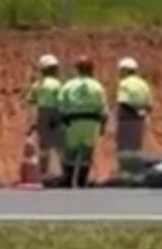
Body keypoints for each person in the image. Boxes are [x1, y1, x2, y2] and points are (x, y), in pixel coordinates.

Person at [58, 55, 107, 188]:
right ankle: (81, 181)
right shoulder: (97, 86)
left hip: (72, 122)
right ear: (91, 69)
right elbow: (103, 108)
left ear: (77, 69)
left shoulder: (69, 85)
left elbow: (61, 104)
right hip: (90, 123)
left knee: (70, 153)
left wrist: (62, 121)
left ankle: (68, 181)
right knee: (86, 152)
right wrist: (103, 126)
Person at [114, 57, 153, 185]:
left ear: (125, 70)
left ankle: (126, 176)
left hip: (126, 120)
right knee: (136, 148)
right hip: (139, 122)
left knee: (125, 149)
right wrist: (141, 113)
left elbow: (123, 102)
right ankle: (137, 176)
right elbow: (149, 106)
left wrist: (133, 111)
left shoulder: (124, 83)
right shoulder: (143, 84)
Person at [26, 54, 63, 181]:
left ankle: (43, 173)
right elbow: (61, 101)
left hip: (41, 114)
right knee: (60, 145)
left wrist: (32, 123)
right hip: (55, 113)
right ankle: (63, 172)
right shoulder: (57, 84)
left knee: (43, 147)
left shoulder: (37, 85)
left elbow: (31, 102)